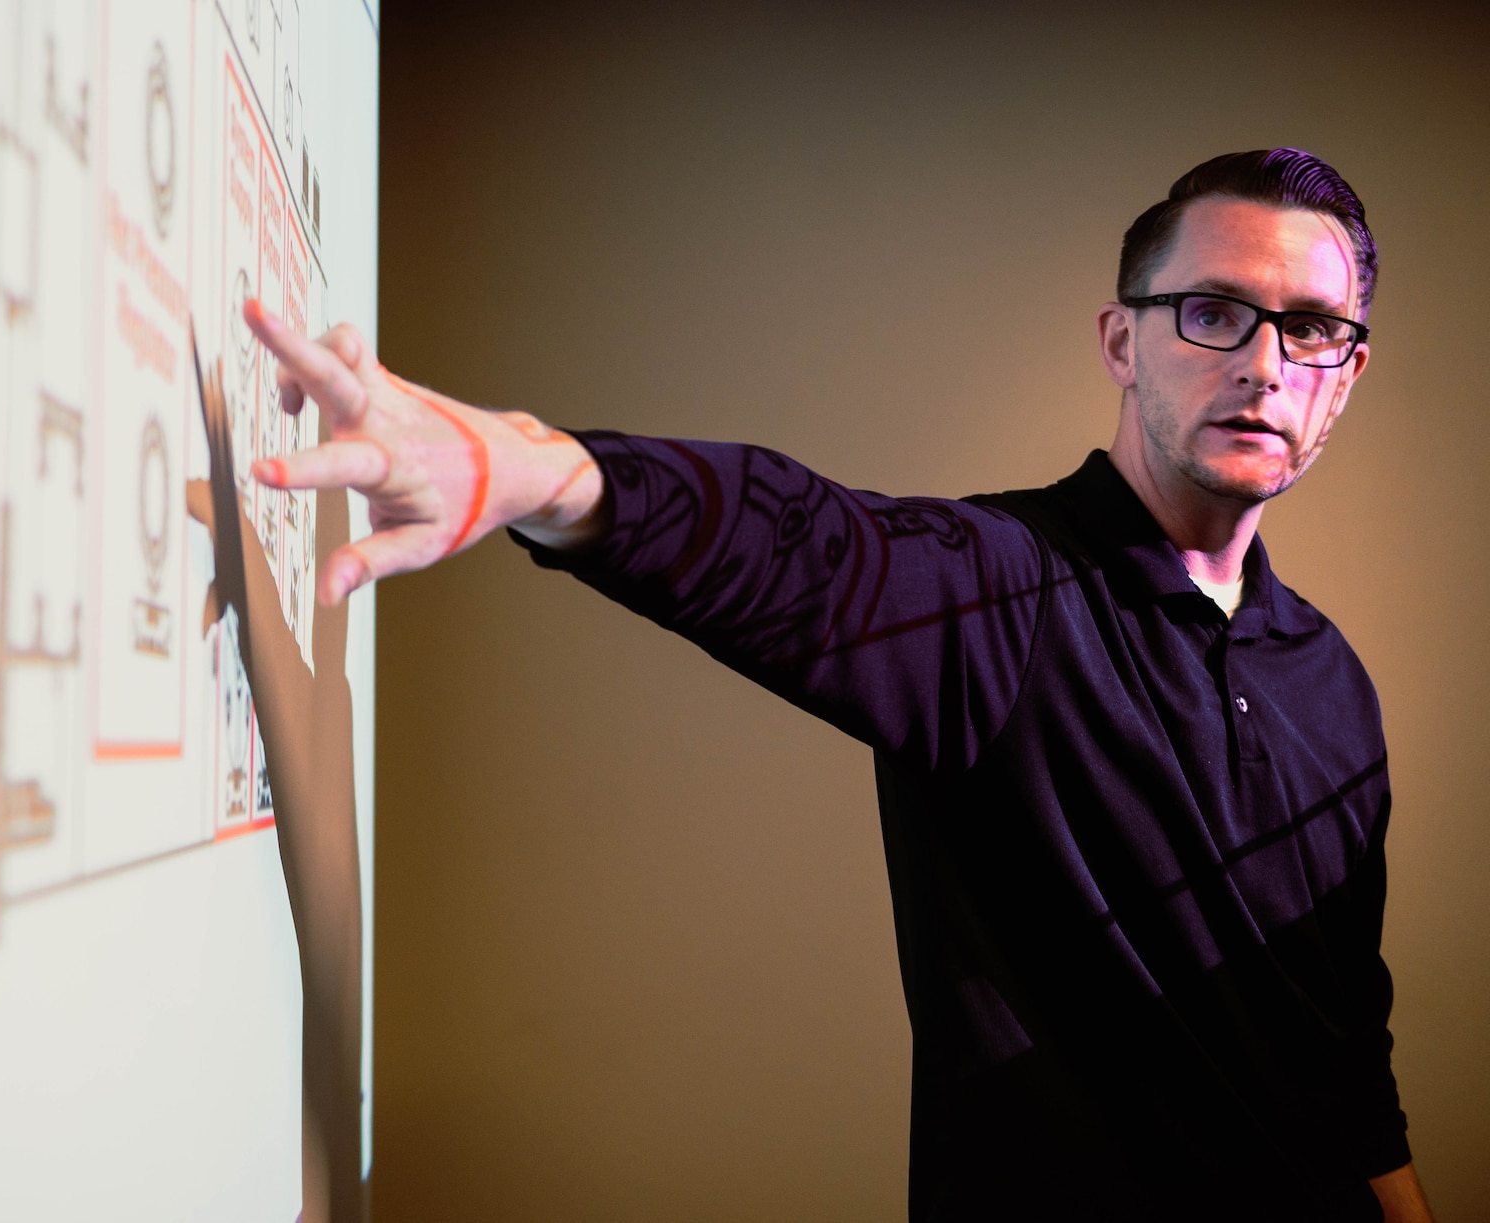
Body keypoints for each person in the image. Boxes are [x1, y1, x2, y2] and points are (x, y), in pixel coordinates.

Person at [227, 149, 1435, 1221]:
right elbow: (802, 546)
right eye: (1213, 311)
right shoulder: (998, 597)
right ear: (1122, 340)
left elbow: (1341, 1047)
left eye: (1310, 327)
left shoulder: (1333, 683)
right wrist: (540, 473)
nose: (1265, 363)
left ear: (1346, 370)